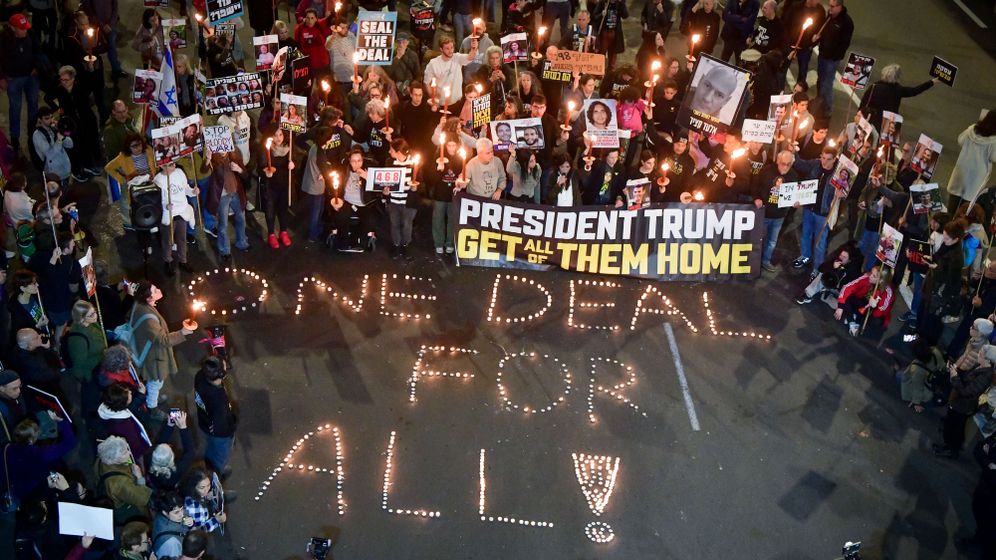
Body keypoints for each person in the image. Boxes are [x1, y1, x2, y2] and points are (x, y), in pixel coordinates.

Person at [126, 282, 196, 418]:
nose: (159, 289)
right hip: (154, 357)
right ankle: (152, 408)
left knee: (153, 383)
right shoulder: (148, 318)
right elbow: (162, 340)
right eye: (155, 290)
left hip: (149, 351)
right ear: (148, 298)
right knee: (155, 382)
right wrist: (182, 333)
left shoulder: (142, 306)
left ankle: (151, 398)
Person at [933, 345, 996, 459]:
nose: (978, 355)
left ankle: (951, 450)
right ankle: (949, 446)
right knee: (953, 426)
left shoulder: (986, 375)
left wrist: (954, 377)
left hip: (963, 405)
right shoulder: (980, 366)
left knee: (954, 427)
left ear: (988, 359)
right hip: (959, 402)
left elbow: (967, 392)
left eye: (981, 354)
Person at [791, 147, 845, 278]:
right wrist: (794, 151)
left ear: (835, 158)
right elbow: (799, 164)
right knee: (805, 235)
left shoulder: (839, 172)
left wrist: (841, 194)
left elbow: (847, 189)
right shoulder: (815, 164)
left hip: (823, 213)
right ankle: (805, 256)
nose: (824, 162)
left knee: (820, 243)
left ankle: (817, 267)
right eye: (823, 158)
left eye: (828, 159)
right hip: (809, 209)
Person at [0, 14, 43, 154]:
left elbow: (38, 50)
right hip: (13, 79)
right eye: (21, 29)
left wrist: (37, 66)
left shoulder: (30, 33)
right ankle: (15, 138)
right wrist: (1, 77)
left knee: (33, 104)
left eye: (25, 28)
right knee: (15, 108)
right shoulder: (3, 39)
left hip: (31, 76)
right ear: (12, 28)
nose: (25, 31)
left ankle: (33, 134)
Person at [945, 111, 996, 213]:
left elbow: (960, 140)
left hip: (962, 170)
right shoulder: (993, 141)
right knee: (965, 208)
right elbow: (994, 157)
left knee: (952, 204)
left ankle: (946, 224)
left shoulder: (971, 130)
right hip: (976, 176)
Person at [194, 356, 237, 476]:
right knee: (221, 455)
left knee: (210, 448)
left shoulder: (200, 376)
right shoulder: (218, 399)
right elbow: (221, 424)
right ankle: (216, 472)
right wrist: (230, 431)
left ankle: (211, 465)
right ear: (221, 375)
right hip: (220, 434)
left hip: (205, 422)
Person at [859, 64, 937, 129]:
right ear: (897, 77)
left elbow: (863, 103)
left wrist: (859, 116)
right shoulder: (898, 90)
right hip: (888, 124)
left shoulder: (874, 87)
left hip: (871, 120)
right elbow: (915, 90)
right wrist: (932, 82)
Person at [204, 150, 250, 260]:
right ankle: (224, 251)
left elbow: (246, 175)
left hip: (236, 193)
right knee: (223, 224)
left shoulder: (235, 154)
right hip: (223, 196)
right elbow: (203, 170)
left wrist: (238, 169)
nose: (223, 150)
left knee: (241, 219)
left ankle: (242, 242)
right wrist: (208, 159)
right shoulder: (213, 159)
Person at [154, 162, 198, 276]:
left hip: (182, 211)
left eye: (173, 164)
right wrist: (165, 206)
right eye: (169, 165)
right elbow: (156, 201)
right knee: (168, 241)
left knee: (182, 239)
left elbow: (186, 189)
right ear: (161, 166)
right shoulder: (158, 180)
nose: (173, 167)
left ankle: (183, 260)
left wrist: (193, 192)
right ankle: (167, 261)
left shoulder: (179, 172)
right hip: (168, 215)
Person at [65, 300, 106, 417]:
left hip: (99, 366)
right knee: (90, 400)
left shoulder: (91, 324)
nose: (96, 316)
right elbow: (79, 364)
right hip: (90, 374)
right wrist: (85, 379)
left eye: (95, 312)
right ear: (82, 318)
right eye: (91, 314)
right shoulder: (78, 339)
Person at [812, 0, 853, 115]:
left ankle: (827, 109)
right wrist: (818, 38)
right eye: (830, 6)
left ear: (840, 7)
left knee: (827, 83)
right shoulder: (829, 17)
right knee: (820, 79)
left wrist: (835, 56)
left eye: (833, 6)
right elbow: (823, 32)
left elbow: (845, 43)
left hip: (832, 59)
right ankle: (819, 102)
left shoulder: (847, 22)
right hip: (823, 54)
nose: (830, 8)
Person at [835, 264, 894, 337]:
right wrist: (840, 306)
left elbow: (881, 312)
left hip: (872, 313)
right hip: (861, 304)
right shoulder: (866, 277)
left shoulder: (888, 292)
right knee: (847, 297)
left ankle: (853, 317)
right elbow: (847, 288)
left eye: (874, 276)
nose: (870, 276)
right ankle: (852, 323)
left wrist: (875, 306)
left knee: (876, 322)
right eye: (871, 273)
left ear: (881, 280)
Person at [423, 35, 479, 112]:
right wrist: (433, 99)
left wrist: (474, 49)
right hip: (441, 104)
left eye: (452, 47)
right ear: (441, 49)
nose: (450, 51)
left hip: (458, 102)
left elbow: (470, 57)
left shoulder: (457, 57)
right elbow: (426, 83)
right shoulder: (433, 64)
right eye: (447, 48)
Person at [98, 383, 152, 460]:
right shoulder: (124, 426)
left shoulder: (110, 408)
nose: (130, 391)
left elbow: (128, 408)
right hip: (134, 452)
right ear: (123, 403)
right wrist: (143, 450)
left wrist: (141, 394)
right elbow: (135, 445)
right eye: (128, 393)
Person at [181, 468, 228, 534]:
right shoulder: (193, 509)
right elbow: (199, 531)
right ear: (193, 487)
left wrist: (206, 497)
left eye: (208, 485)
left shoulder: (193, 494)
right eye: (202, 487)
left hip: (207, 512)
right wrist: (216, 520)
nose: (207, 490)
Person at [152, 492, 193, 559]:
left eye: (182, 509)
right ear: (165, 512)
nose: (182, 514)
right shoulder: (171, 544)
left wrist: (191, 524)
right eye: (176, 512)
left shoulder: (162, 515)